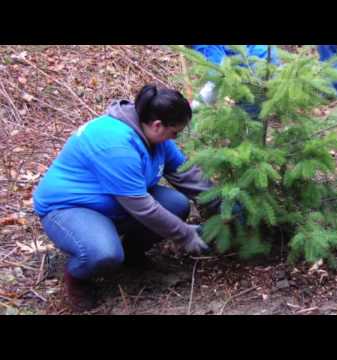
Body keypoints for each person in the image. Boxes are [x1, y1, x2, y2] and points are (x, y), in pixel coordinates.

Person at [33, 85, 215, 311]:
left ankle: (132, 255)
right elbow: (142, 207)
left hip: (116, 202)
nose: (175, 137)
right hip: (71, 207)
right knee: (103, 253)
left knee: (176, 205)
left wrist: (221, 202)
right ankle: (76, 278)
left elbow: (185, 173)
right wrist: (184, 234)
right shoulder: (116, 145)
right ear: (158, 125)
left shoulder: (156, 137)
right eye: (175, 132)